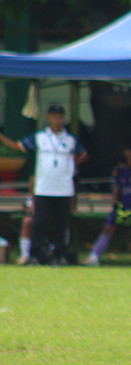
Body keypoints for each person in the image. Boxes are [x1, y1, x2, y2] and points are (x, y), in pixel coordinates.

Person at [0, 105, 87, 265]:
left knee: (62, 223)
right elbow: (19, 146)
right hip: (43, 188)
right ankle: (35, 254)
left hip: (64, 189)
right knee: (39, 222)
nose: (57, 120)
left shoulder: (70, 139)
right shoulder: (40, 137)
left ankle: (60, 254)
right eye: (54, 116)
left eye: (59, 116)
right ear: (48, 118)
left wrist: (72, 165)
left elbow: (83, 154)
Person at [84, 139, 131, 265]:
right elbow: (115, 194)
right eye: (129, 151)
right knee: (108, 228)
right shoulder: (119, 171)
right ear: (125, 152)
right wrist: (119, 209)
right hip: (122, 207)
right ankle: (94, 257)